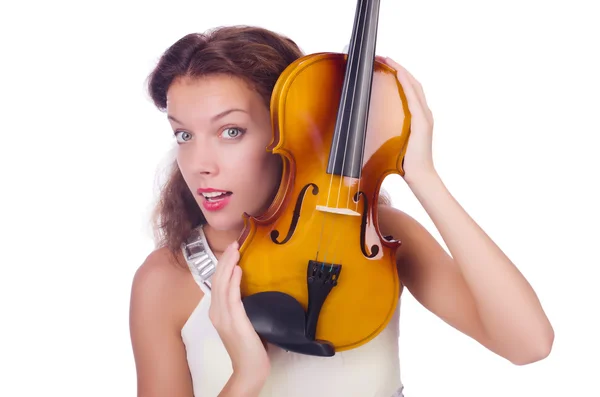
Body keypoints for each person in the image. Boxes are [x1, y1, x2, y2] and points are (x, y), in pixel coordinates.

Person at [129, 25, 554, 396]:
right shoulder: (165, 280)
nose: (200, 163)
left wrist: (422, 174)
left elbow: (528, 344)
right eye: (184, 134)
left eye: (231, 131)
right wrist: (246, 375)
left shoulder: (374, 238)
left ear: (291, 127)